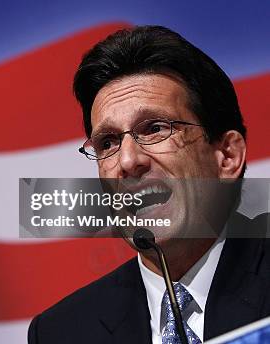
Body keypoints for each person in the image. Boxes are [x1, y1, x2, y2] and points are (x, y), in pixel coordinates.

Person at [27, 26, 270, 343]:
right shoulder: (61, 332)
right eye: (108, 142)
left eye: (155, 128)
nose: (128, 161)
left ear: (226, 156)